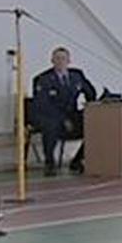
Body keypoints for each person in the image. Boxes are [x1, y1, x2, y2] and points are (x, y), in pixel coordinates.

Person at [32, 47, 96, 176]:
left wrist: (92, 108)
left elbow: (90, 93)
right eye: (57, 58)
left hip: (72, 114)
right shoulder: (44, 79)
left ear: (69, 61)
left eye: (63, 59)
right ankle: (50, 164)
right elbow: (43, 105)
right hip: (52, 116)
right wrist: (63, 119)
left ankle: (77, 161)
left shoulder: (76, 76)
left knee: (95, 127)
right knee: (51, 126)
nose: (60, 61)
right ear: (52, 61)